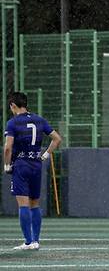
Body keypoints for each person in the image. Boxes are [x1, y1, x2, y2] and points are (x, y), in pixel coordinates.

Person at [3, 92, 62, 250]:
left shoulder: (13, 123)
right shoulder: (39, 119)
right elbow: (57, 138)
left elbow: (8, 147)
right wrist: (45, 155)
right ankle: (36, 240)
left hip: (21, 164)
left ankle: (28, 242)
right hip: (36, 164)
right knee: (34, 203)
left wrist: (7, 165)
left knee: (23, 204)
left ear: (13, 106)